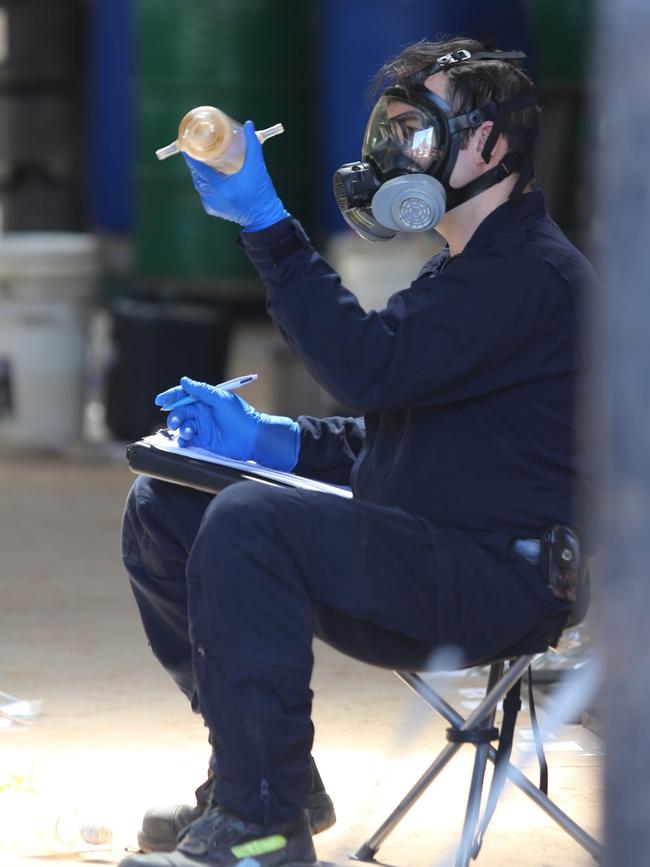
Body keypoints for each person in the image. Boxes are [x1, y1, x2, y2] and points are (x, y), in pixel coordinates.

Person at [120, 37, 595, 867]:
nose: (390, 152)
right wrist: (266, 438)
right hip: (425, 546)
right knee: (167, 505)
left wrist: (269, 227)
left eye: (416, 130)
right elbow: (403, 436)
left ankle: (261, 827)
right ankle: (266, 775)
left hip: (497, 576)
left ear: (488, 144)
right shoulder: (468, 267)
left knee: (252, 522)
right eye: (391, 127)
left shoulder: (530, 276)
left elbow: (367, 369)